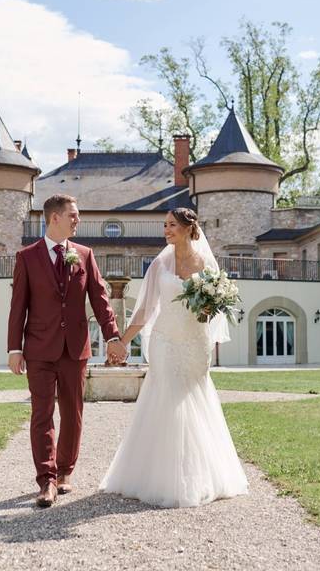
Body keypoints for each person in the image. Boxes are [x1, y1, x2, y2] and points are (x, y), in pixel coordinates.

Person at [99, 207, 249, 508]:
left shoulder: (206, 264)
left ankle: (197, 473)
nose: (166, 230)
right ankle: (160, 477)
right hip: (165, 341)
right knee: (165, 400)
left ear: (187, 228)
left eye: (171, 225)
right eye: (164, 225)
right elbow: (145, 309)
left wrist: (208, 308)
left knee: (195, 400)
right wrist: (123, 342)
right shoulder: (159, 263)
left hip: (195, 342)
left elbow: (213, 308)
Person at [7, 194, 127, 508]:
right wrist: (13, 348)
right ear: (55, 218)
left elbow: (101, 301)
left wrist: (113, 336)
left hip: (75, 349)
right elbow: (18, 306)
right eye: (73, 215)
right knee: (41, 415)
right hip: (38, 349)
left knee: (72, 414)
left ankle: (64, 473)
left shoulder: (85, 255)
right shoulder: (27, 257)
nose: (78, 220)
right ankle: (45, 480)